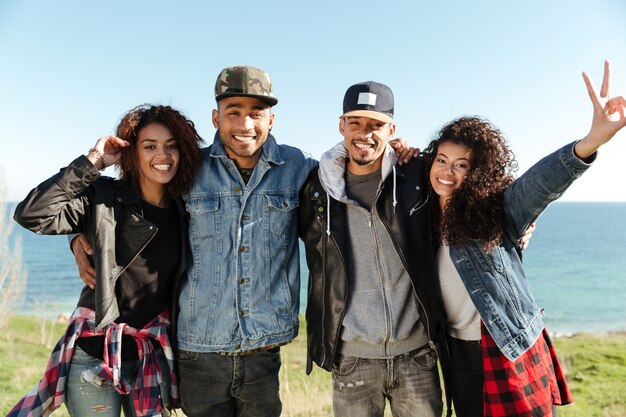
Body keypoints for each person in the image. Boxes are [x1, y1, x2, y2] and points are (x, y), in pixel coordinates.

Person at [424, 61, 626, 417]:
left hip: (508, 349)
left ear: (477, 172)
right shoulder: (420, 215)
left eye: (461, 164)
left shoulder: (498, 210)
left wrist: (591, 141)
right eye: (441, 159)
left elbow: (541, 184)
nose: (447, 171)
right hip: (457, 353)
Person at [9, 104, 204, 417]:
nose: (162, 156)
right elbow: (32, 214)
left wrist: (75, 239)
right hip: (93, 357)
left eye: (171, 146)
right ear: (132, 153)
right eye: (150, 146)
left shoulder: (188, 208)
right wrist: (92, 162)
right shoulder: (102, 196)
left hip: (148, 358)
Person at [299, 81, 451, 417]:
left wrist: (523, 222)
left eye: (376, 125)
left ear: (392, 129)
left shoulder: (416, 175)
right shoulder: (315, 190)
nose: (364, 133)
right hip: (352, 358)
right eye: (355, 123)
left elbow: (465, 191)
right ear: (342, 125)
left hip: (417, 355)